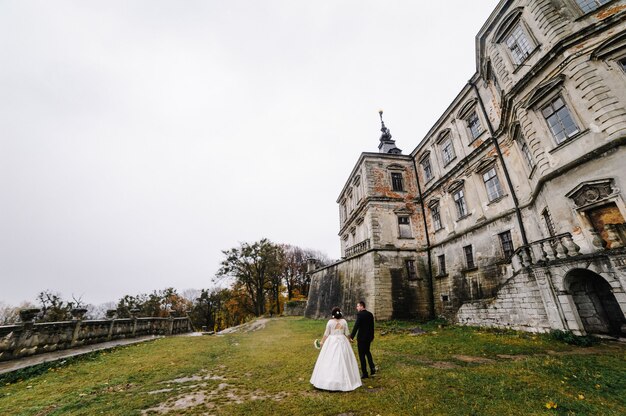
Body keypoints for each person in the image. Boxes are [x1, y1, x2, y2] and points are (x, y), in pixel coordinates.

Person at [310, 307, 362, 391]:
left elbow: (326, 334)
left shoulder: (330, 322)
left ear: (333, 315)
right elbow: (347, 333)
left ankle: (327, 381)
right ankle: (345, 381)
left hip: (331, 341)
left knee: (330, 360)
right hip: (342, 341)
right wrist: (350, 339)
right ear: (340, 314)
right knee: (344, 360)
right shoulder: (344, 322)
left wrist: (322, 342)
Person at [350, 301, 376, 379]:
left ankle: (365, 373)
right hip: (368, 338)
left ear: (362, 306)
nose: (357, 308)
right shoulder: (370, 314)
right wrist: (372, 336)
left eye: (358, 306)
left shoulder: (360, 315)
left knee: (362, 355)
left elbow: (356, 326)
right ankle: (372, 369)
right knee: (367, 352)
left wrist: (351, 336)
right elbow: (372, 327)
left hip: (361, 338)